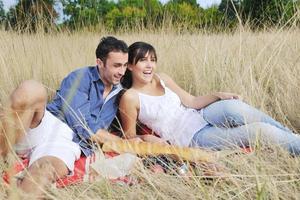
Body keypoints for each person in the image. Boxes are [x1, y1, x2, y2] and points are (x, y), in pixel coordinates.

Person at [118, 41, 300, 155]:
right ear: (130, 66)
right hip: (193, 137)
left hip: (200, 115)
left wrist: (220, 95)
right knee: (261, 131)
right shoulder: (131, 97)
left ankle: (292, 137)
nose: (150, 65)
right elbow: (129, 137)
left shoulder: (162, 78)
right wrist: (152, 141)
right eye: (143, 60)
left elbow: (191, 102)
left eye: (153, 59)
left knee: (234, 107)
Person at [0, 36, 129, 195]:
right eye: (117, 66)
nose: (122, 71)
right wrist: (122, 143)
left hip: (69, 142)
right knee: (31, 88)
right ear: (100, 63)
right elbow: (83, 125)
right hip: (48, 122)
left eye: (124, 65)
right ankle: (3, 153)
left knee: (42, 172)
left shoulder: (122, 91)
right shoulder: (80, 77)